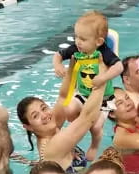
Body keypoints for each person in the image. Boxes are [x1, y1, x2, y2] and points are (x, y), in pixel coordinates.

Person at [52, 10, 123, 160]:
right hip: (83, 94)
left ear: (98, 42)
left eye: (83, 39)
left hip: (103, 99)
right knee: (68, 109)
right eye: (76, 36)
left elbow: (119, 67)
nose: (78, 41)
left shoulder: (104, 52)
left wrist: (103, 77)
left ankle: (94, 145)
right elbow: (58, 54)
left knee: (96, 127)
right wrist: (57, 65)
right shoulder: (77, 48)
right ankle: (78, 130)